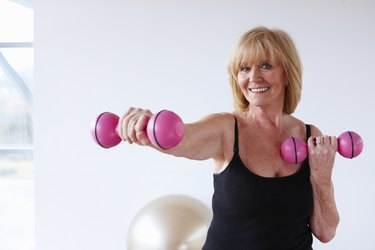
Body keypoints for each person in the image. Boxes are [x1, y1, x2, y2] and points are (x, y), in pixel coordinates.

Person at [118, 26, 340, 249]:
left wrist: (322, 177)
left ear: (286, 73)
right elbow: (180, 138)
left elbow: (325, 231)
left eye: (265, 66)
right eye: (244, 68)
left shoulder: (310, 136)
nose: (254, 77)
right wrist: (147, 126)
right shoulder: (225, 129)